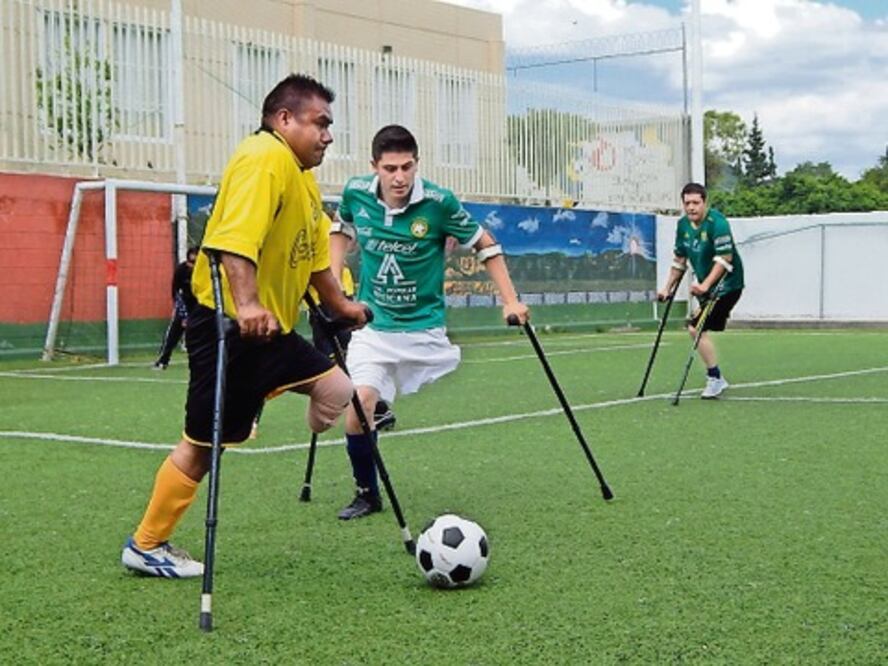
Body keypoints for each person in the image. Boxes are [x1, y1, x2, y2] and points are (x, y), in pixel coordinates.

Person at [121, 74, 368, 578]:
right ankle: (147, 544)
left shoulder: (301, 174)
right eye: (320, 123)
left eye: (330, 125)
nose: (328, 135)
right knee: (203, 445)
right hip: (230, 327)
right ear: (284, 119)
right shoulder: (263, 159)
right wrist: (249, 303)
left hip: (271, 332)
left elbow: (314, 256)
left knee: (341, 390)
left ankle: (259, 393)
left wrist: (339, 303)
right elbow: (234, 241)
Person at [330, 124, 529, 520]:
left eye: (407, 167)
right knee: (358, 405)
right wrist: (334, 284)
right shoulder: (355, 193)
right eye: (390, 169)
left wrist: (511, 301)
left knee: (371, 402)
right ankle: (367, 492)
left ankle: (383, 404)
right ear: (375, 168)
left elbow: (485, 243)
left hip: (423, 331)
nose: (399, 177)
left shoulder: (439, 202)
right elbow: (341, 228)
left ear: (416, 164)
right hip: (373, 326)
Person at [657, 182, 744, 399]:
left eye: (696, 203)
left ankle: (715, 378)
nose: (691, 207)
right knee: (697, 327)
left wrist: (705, 285)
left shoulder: (718, 223)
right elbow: (680, 260)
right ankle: (716, 377)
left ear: (704, 203)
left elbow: (725, 259)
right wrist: (667, 288)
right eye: (687, 203)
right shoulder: (683, 226)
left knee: (695, 328)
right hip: (707, 290)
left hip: (727, 286)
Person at [153, 247, 198, 369]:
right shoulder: (181, 270)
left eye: (195, 263)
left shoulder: (205, 272)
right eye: (190, 262)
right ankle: (163, 360)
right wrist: (183, 315)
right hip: (185, 303)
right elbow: (176, 292)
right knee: (173, 332)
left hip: (201, 304)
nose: (191, 266)